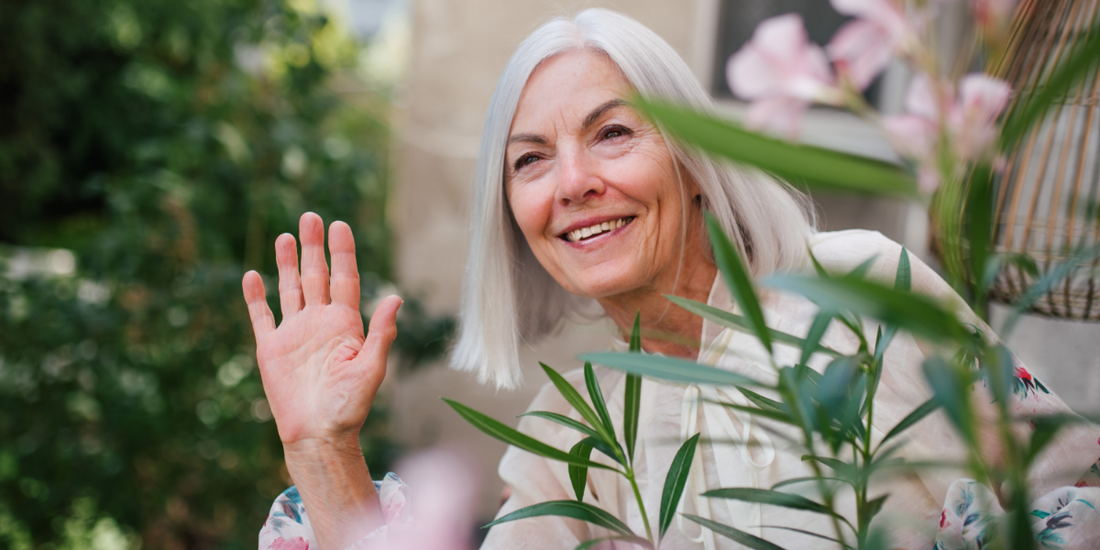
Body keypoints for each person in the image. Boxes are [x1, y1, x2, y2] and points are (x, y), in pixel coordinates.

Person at [242, 8, 1100, 550]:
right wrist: (323, 447)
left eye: (613, 133)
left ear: (694, 159)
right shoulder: (574, 428)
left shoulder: (866, 288)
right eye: (530, 159)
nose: (573, 182)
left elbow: (1075, 490)